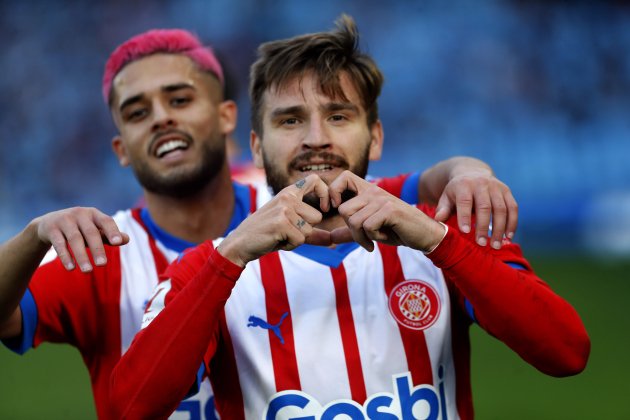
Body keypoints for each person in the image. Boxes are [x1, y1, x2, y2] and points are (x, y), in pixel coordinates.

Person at [0, 29, 517, 419]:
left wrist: (469, 169)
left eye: (179, 100)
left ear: (228, 119)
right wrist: (32, 235)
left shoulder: (298, 208)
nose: (161, 118)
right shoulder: (107, 250)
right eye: (137, 113)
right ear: (120, 148)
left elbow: (412, 192)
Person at [109, 16, 590, 419]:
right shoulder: (210, 266)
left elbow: (566, 352)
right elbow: (133, 407)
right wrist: (230, 256)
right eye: (290, 119)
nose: (315, 137)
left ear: (375, 137)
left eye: (338, 116)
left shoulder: (440, 239)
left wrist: (438, 241)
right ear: (256, 147)